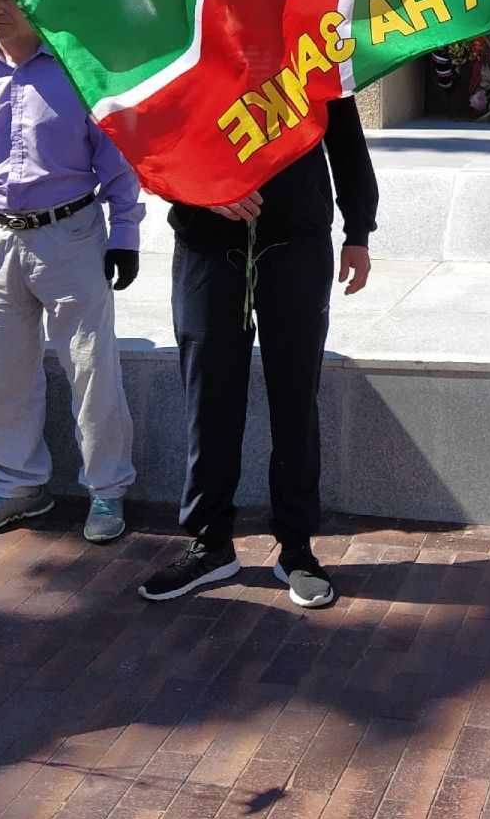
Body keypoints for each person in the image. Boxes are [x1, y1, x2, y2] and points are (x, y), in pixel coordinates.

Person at [0, 0, 142, 543]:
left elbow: (118, 164)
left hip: (70, 236)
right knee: (3, 374)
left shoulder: (80, 74)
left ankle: (106, 492)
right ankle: (19, 487)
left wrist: (125, 234)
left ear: (34, 0)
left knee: (91, 370)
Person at [137, 97, 377, 608]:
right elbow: (152, 143)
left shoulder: (310, 42)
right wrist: (202, 192)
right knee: (209, 397)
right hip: (206, 244)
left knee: (295, 399)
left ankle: (296, 550)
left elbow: (346, 141)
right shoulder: (190, 40)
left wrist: (359, 229)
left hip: (296, 243)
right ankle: (210, 543)